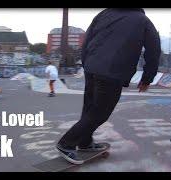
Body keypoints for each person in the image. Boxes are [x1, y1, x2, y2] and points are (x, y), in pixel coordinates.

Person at [56, 8, 161, 164]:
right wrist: (147, 78)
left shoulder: (104, 13)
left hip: (92, 67)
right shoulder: (142, 20)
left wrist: (87, 63)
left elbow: (88, 38)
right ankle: (66, 143)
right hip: (113, 71)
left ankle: (84, 143)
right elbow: (153, 50)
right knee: (100, 113)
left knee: (90, 109)